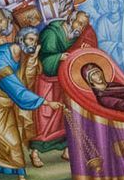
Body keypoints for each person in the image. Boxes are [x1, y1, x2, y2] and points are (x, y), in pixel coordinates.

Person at [0, 26, 47, 180]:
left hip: (5, 101)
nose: (33, 44)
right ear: (21, 39)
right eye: (31, 40)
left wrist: (33, 59)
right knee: (11, 141)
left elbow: (26, 80)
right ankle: (21, 176)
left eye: (35, 41)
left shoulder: (22, 55)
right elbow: (16, 89)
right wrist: (44, 102)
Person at [34, 10, 99, 153]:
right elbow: (43, 60)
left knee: (64, 118)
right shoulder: (51, 33)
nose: (80, 28)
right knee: (47, 117)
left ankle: (65, 150)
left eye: (83, 26)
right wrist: (59, 57)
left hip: (64, 82)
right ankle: (36, 151)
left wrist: (84, 50)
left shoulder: (76, 36)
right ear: (70, 20)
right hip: (48, 82)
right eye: (79, 23)